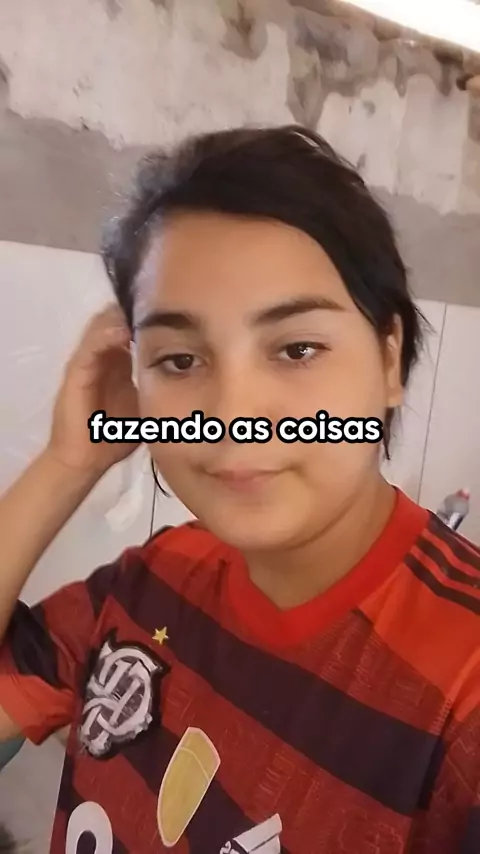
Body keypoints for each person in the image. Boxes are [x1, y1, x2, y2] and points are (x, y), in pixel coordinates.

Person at [0, 125, 480, 854]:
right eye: (180, 359)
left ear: (389, 359)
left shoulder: (463, 686)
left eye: (296, 348)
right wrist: (69, 462)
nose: (232, 413)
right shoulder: (151, 581)